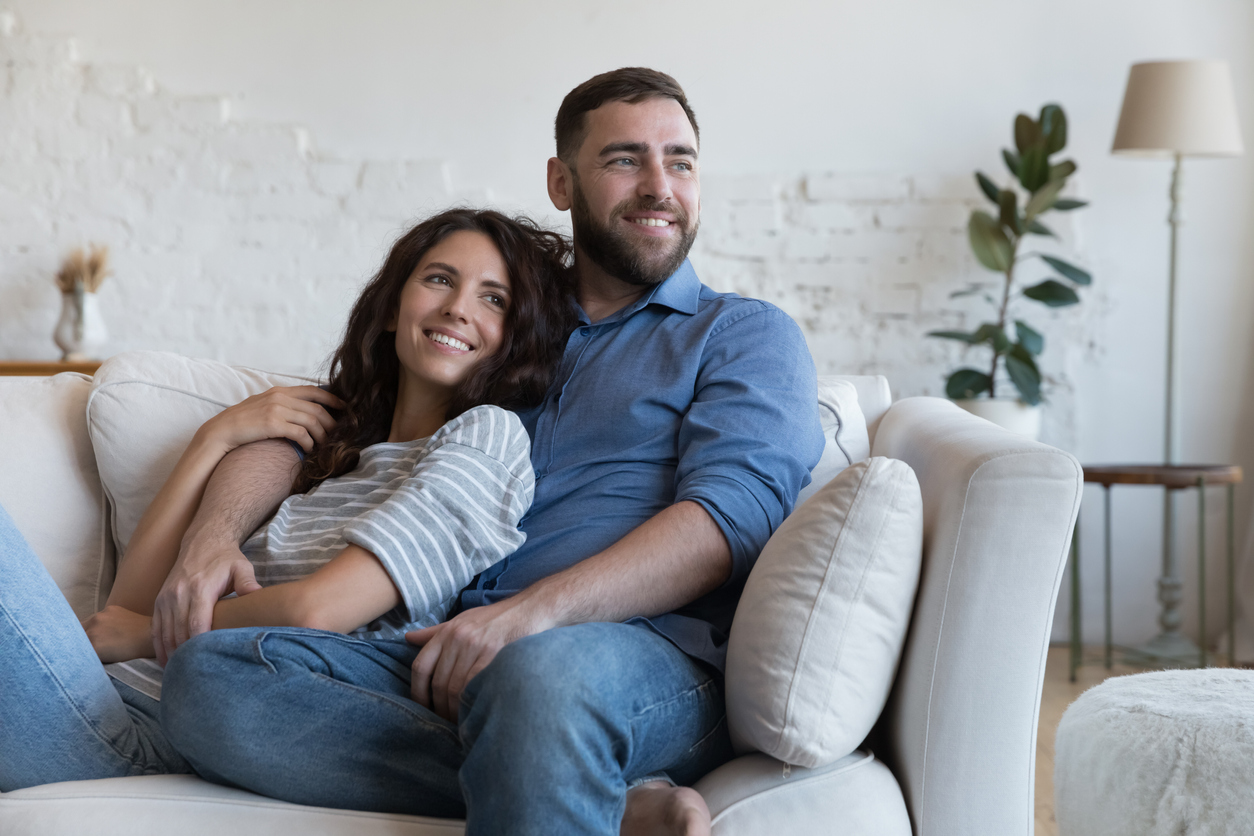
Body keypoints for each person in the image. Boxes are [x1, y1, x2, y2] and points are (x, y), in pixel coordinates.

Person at [157, 68, 826, 836]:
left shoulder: (740, 335)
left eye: (680, 160)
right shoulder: (496, 316)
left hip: (634, 658)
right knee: (212, 673)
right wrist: (210, 537)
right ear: (562, 182)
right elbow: (313, 429)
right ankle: (602, 797)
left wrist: (529, 617)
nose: (658, 186)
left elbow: (728, 521)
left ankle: (559, 756)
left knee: (540, 680)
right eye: (623, 160)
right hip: (437, 648)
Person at [0, 208, 576, 792]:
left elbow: (318, 612)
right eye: (439, 279)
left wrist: (152, 634)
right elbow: (124, 609)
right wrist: (213, 439)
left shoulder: (487, 437)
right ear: (391, 306)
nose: (458, 307)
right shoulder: (330, 445)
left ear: (518, 336)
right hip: (108, 697)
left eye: (494, 299)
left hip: (161, 737)